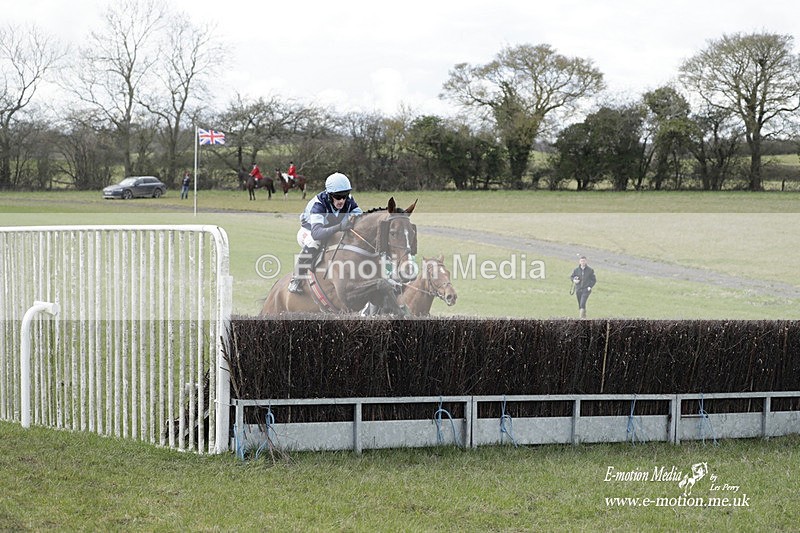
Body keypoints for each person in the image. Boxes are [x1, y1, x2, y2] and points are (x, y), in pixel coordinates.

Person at [287, 172, 363, 294]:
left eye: (344, 196)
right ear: (329, 195)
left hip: (331, 230)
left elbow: (360, 216)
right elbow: (317, 233)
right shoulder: (319, 204)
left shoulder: (349, 200)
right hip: (309, 231)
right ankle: (296, 278)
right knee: (314, 242)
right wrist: (340, 226)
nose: (342, 200)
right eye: (338, 196)